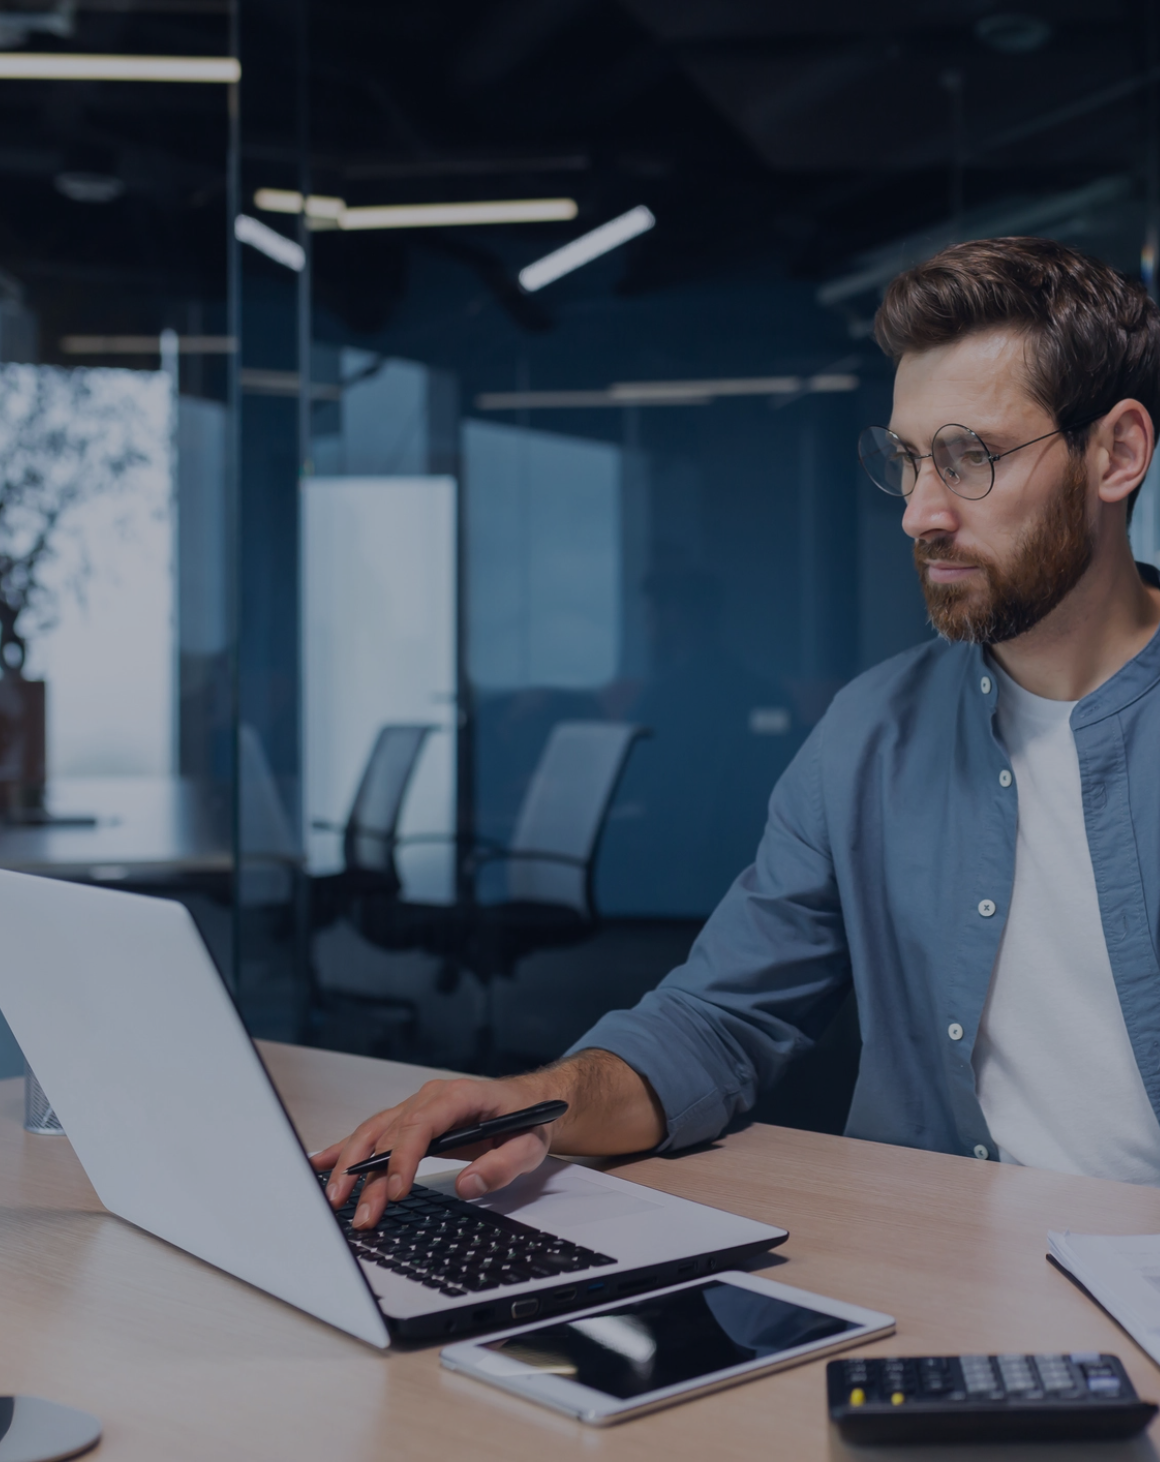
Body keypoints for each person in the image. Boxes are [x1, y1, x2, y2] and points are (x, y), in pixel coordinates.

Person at [314, 236, 1160, 1231]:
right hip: (939, 1284)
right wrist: (535, 1104)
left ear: (1114, 454)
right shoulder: (867, 736)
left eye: (968, 458)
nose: (918, 514)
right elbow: (717, 1021)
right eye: (905, 460)